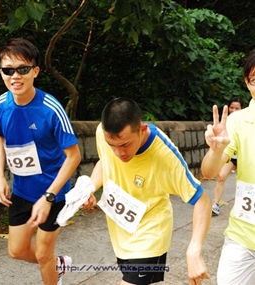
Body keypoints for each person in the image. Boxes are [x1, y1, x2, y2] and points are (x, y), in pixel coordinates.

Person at [84, 98, 211, 285]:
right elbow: (105, 162)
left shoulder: (165, 156)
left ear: (142, 130)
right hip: (121, 232)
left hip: (150, 235)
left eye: (125, 145)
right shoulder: (103, 134)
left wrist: (194, 250)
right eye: (113, 146)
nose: (119, 153)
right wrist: (90, 188)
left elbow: (202, 201)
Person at [0, 38, 81, 285]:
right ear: (1, 72)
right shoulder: (0, 104)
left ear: (35, 71)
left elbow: (74, 156)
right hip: (22, 190)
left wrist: (49, 197)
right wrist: (0, 175)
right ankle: (58, 264)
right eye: (8, 70)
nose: (15, 76)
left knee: (42, 254)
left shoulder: (51, 109)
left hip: (55, 193)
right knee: (16, 251)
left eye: (23, 69)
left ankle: (50, 266)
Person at [201, 49, 255, 284]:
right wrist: (215, 149)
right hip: (243, 235)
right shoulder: (237, 121)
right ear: (247, 83)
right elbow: (209, 172)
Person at [212, 96, 244, 216]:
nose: (234, 110)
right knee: (220, 176)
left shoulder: (247, 121)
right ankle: (215, 205)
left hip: (243, 157)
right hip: (230, 156)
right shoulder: (225, 122)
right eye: (232, 107)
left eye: (237, 108)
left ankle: (245, 208)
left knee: (245, 183)